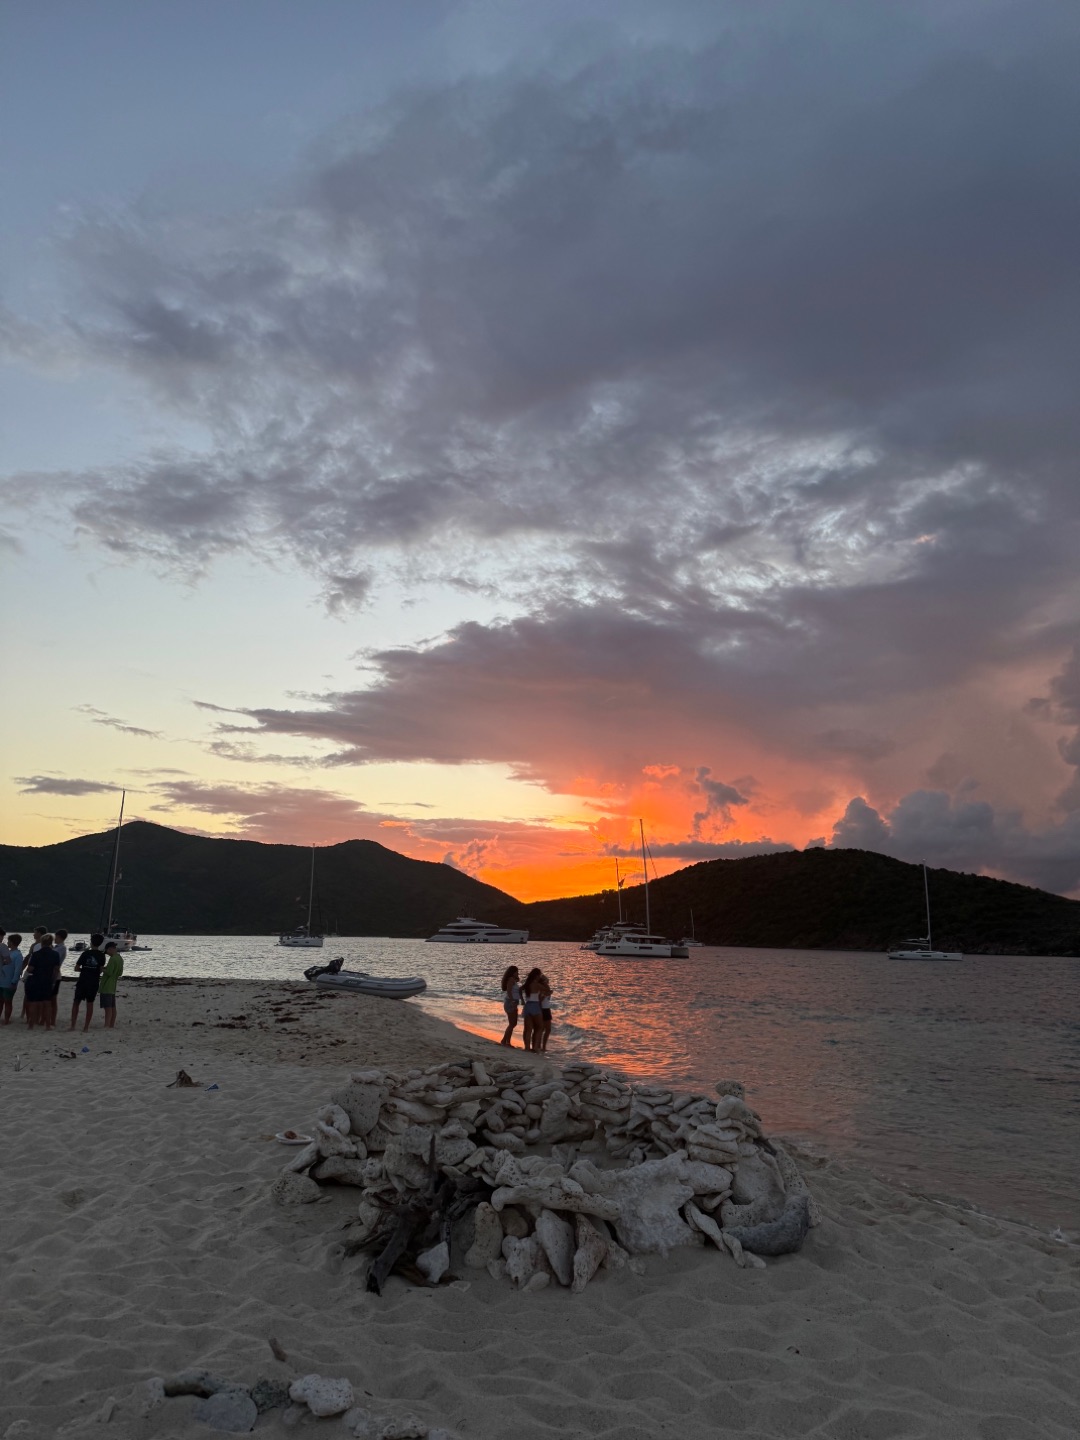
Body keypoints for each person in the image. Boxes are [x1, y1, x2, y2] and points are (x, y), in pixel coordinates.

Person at [23, 935, 61, 1029]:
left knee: (34, 1002)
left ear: (42, 943)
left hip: (36, 979)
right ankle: (47, 1025)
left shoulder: (36, 954)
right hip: (47, 980)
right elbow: (56, 969)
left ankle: (31, 1025)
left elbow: (30, 969)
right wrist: (53, 981)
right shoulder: (55, 954)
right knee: (47, 1003)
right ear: (51, 943)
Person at [70, 934, 105, 1031]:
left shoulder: (85, 953)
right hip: (93, 981)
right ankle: (86, 1027)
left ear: (91, 942)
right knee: (90, 1003)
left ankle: (73, 1026)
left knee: (76, 1002)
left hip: (83, 980)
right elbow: (101, 970)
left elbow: (76, 968)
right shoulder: (102, 955)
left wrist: (84, 970)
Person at [98, 941, 124, 1028]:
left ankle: (107, 1024)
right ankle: (111, 1024)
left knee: (107, 1008)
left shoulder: (112, 959)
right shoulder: (120, 958)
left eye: (107, 952)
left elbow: (109, 972)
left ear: (110, 949)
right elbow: (120, 973)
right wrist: (107, 968)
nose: (108, 954)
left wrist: (102, 969)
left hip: (107, 986)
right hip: (113, 986)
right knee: (113, 1007)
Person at [0, 933, 24, 1024]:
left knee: (8, 1001)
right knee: (1, 1001)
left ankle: (6, 1020)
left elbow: (17, 970)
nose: (7, 943)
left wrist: (14, 982)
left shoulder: (18, 955)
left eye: (9, 941)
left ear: (12, 942)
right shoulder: (7, 953)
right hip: (1, 981)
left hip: (9, 982)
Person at [520, 967, 545, 1052]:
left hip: (527, 1006)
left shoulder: (527, 984)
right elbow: (547, 990)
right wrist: (544, 981)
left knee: (528, 1029)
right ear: (537, 975)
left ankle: (527, 1047)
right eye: (540, 975)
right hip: (535, 1005)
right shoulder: (537, 984)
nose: (540, 976)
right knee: (540, 1027)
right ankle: (535, 1047)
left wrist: (522, 1000)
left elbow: (520, 989)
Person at [50, 928, 68, 1027]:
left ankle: (53, 1020)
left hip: (55, 975)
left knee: (53, 998)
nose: (54, 938)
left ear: (59, 937)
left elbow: (56, 962)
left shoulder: (62, 948)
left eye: (56, 937)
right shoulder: (55, 947)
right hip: (50, 974)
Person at [499, 965, 521, 1047]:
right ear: (513, 972)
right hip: (510, 1002)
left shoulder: (513, 980)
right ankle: (505, 1041)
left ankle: (506, 1041)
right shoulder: (511, 980)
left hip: (512, 1002)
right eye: (516, 972)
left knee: (513, 1023)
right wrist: (512, 1001)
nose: (517, 973)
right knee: (512, 1023)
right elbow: (509, 991)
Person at [538, 973, 553, 1052]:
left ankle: (542, 1046)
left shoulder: (547, 988)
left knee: (546, 1029)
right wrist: (545, 994)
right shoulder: (542, 989)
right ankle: (541, 1046)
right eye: (546, 981)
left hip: (547, 1008)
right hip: (543, 1009)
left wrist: (548, 992)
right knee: (544, 1029)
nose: (547, 982)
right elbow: (539, 1000)